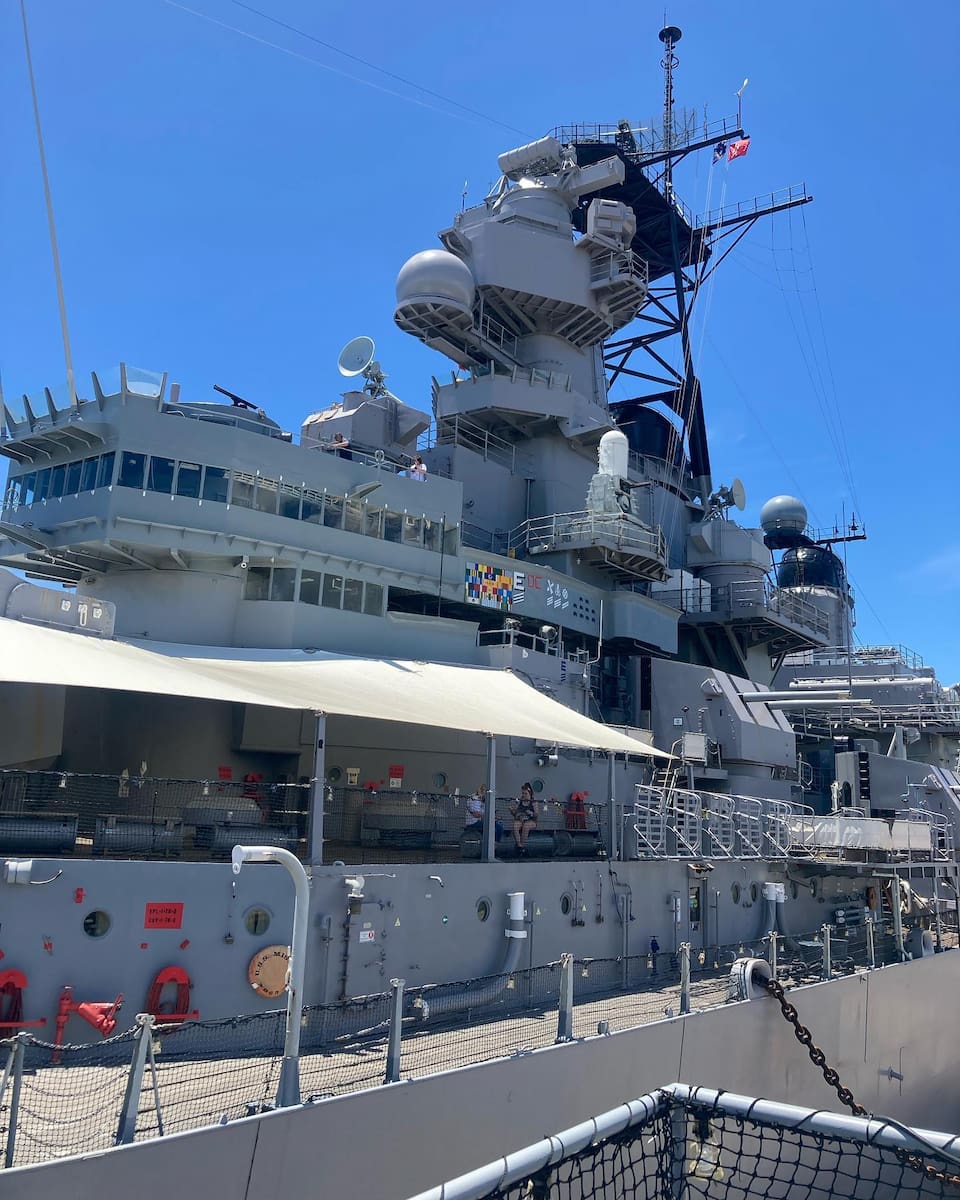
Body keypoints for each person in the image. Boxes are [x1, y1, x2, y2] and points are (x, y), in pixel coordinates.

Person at [510, 782, 538, 856]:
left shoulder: (533, 802)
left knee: (526, 826)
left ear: (529, 793)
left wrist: (531, 813)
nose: (523, 795)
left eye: (525, 793)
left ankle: (522, 845)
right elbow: (514, 813)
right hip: (521, 819)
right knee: (515, 825)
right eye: (523, 793)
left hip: (531, 821)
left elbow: (536, 815)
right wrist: (512, 811)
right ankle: (519, 845)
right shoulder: (520, 801)